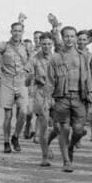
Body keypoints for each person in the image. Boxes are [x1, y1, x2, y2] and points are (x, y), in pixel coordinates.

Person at [0, 19, 32, 154]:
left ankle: (16, 136)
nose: (17, 33)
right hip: (7, 82)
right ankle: (6, 142)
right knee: (8, 115)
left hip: (21, 82)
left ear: (23, 32)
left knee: (24, 112)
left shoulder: (27, 47)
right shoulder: (4, 45)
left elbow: (33, 61)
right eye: (15, 30)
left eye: (20, 31)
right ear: (11, 32)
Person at [49, 26, 92, 172]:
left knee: (79, 130)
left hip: (79, 97)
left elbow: (87, 77)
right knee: (64, 129)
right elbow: (50, 79)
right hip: (62, 97)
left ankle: (71, 146)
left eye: (72, 36)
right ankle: (66, 161)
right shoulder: (56, 57)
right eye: (66, 36)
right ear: (62, 38)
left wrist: (91, 92)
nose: (69, 39)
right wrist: (48, 98)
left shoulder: (83, 56)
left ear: (76, 38)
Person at [31, 32, 56, 166]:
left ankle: (48, 143)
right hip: (41, 93)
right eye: (44, 44)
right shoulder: (34, 59)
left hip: (57, 94)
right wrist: (35, 78)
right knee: (44, 124)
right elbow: (28, 76)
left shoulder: (58, 58)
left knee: (58, 126)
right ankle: (44, 156)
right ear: (40, 44)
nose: (46, 46)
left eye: (49, 44)